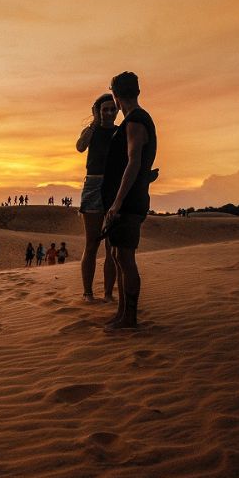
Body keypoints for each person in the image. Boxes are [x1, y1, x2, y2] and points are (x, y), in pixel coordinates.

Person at [102, 71, 157, 329]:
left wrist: (117, 202)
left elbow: (134, 162)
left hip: (128, 202)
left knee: (125, 258)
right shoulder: (134, 120)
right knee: (117, 255)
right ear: (137, 91)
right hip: (126, 199)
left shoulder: (135, 120)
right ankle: (122, 312)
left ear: (115, 95)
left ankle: (129, 318)